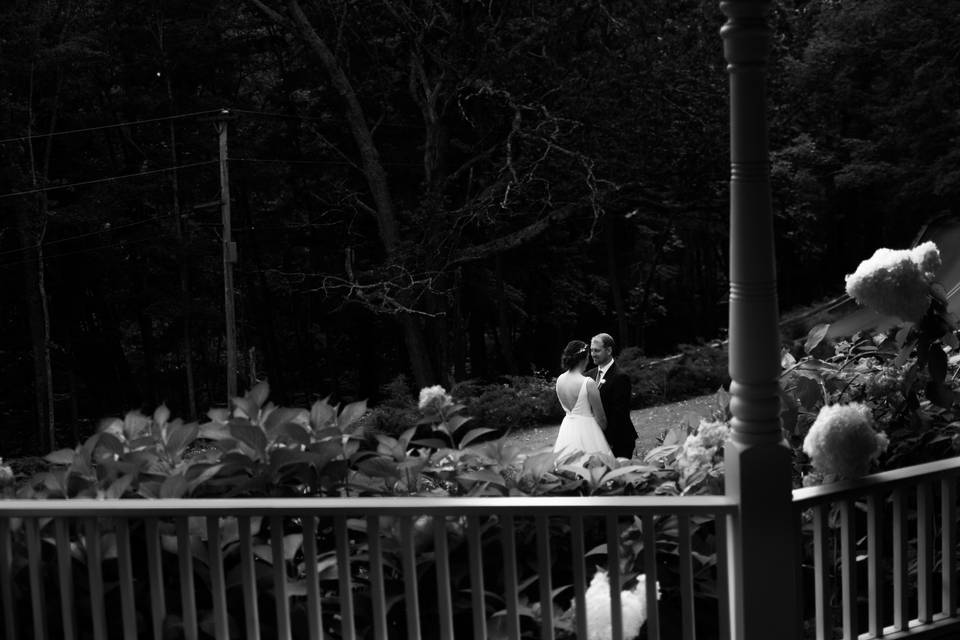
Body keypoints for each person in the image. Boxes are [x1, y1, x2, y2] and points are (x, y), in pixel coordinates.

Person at [553, 340, 614, 460]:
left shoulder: (560, 380)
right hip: (587, 429)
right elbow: (601, 419)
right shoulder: (588, 383)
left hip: (567, 429)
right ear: (584, 359)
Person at [585, 333, 637, 458]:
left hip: (618, 441)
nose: (592, 354)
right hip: (596, 441)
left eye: (597, 350)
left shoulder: (620, 377)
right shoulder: (588, 376)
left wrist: (607, 440)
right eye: (591, 350)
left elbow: (619, 414)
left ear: (609, 350)